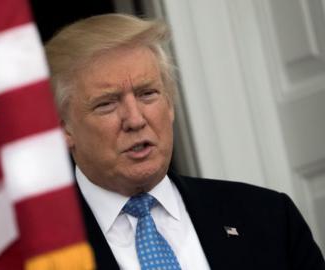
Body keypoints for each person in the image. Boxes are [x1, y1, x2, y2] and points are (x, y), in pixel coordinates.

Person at [45, 13, 325, 270]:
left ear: (170, 105)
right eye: (107, 104)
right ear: (64, 128)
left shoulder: (268, 217)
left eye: (147, 94)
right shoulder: (36, 255)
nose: (135, 119)